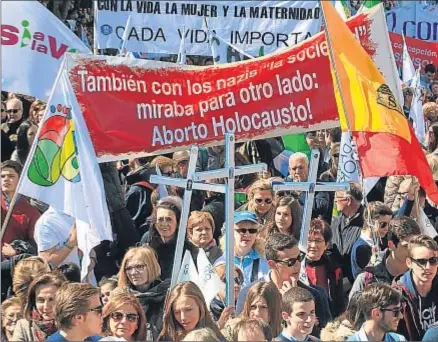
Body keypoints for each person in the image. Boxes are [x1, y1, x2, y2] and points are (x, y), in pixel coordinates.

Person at [237, 233, 332, 331]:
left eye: (300, 258)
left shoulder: (315, 295)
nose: (298, 265)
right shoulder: (248, 293)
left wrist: (295, 302)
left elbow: (323, 335)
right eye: (290, 262)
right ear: (272, 264)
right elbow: (241, 332)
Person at [349, 216, 421, 300]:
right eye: (407, 246)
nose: (414, 250)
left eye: (417, 245)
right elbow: (353, 312)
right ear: (391, 245)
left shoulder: (425, 274)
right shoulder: (368, 278)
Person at [118, 246, 170, 337]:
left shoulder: (169, 295)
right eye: (129, 268)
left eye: (139, 266)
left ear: (151, 266)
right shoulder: (120, 299)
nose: (133, 272)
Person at [141, 198, 199, 280]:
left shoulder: (188, 249)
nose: (164, 224)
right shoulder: (147, 240)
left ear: (178, 223)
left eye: (169, 219)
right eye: (160, 219)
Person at [394, 235, 438, 341]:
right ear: (409, 263)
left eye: (433, 260)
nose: (428, 267)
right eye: (421, 262)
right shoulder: (396, 296)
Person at [303, 218, 345, 318]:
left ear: (326, 245)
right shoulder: (296, 266)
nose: (313, 245)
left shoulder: (334, 268)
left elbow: (339, 301)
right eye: (309, 240)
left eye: (318, 241)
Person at [215, 211, 269, 287]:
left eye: (252, 231)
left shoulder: (264, 261)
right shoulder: (221, 262)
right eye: (242, 230)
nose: (247, 234)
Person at [158, 281, 223, 341]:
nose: (183, 317)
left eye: (188, 310)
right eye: (177, 312)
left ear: (201, 307)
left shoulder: (216, 337)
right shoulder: (165, 338)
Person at [12, 271, 67, 341]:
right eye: (41, 300)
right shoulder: (24, 327)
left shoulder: (75, 326)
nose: (46, 307)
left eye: (52, 299)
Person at [1, 160, 40, 255]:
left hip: (13, 263)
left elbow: (36, 243)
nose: (6, 179)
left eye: (11, 176)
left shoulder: (31, 212)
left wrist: (16, 251)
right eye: (2, 176)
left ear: (20, 180)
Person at [330, 182, 365, 283]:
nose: (335, 200)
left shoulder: (365, 224)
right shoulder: (335, 222)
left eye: (337, 197)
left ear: (348, 200)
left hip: (354, 283)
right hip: (335, 280)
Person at [351, 202, 393, 278]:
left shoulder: (376, 239)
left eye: (389, 224)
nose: (386, 228)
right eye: (382, 224)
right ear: (370, 222)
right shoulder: (361, 248)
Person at [287, 152, 330, 221]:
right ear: (289, 170)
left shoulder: (319, 185)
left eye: (301, 167)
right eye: (294, 168)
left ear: (308, 167)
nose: (297, 171)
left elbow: (320, 208)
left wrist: (301, 192)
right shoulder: (285, 185)